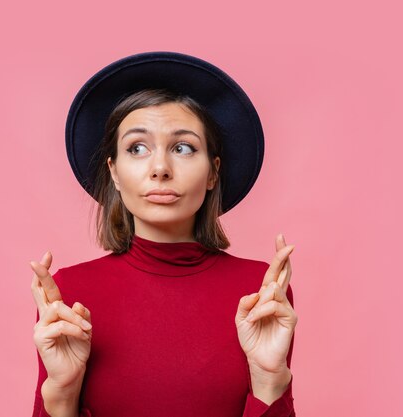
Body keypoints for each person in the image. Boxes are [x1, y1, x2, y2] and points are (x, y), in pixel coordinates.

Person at [29, 52, 298, 417]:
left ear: (212, 173)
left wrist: (270, 379)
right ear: (115, 173)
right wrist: (61, 392)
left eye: (183, 148)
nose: (159, 168)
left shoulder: (259, 293)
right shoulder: (69, 296)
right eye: (137, 148)